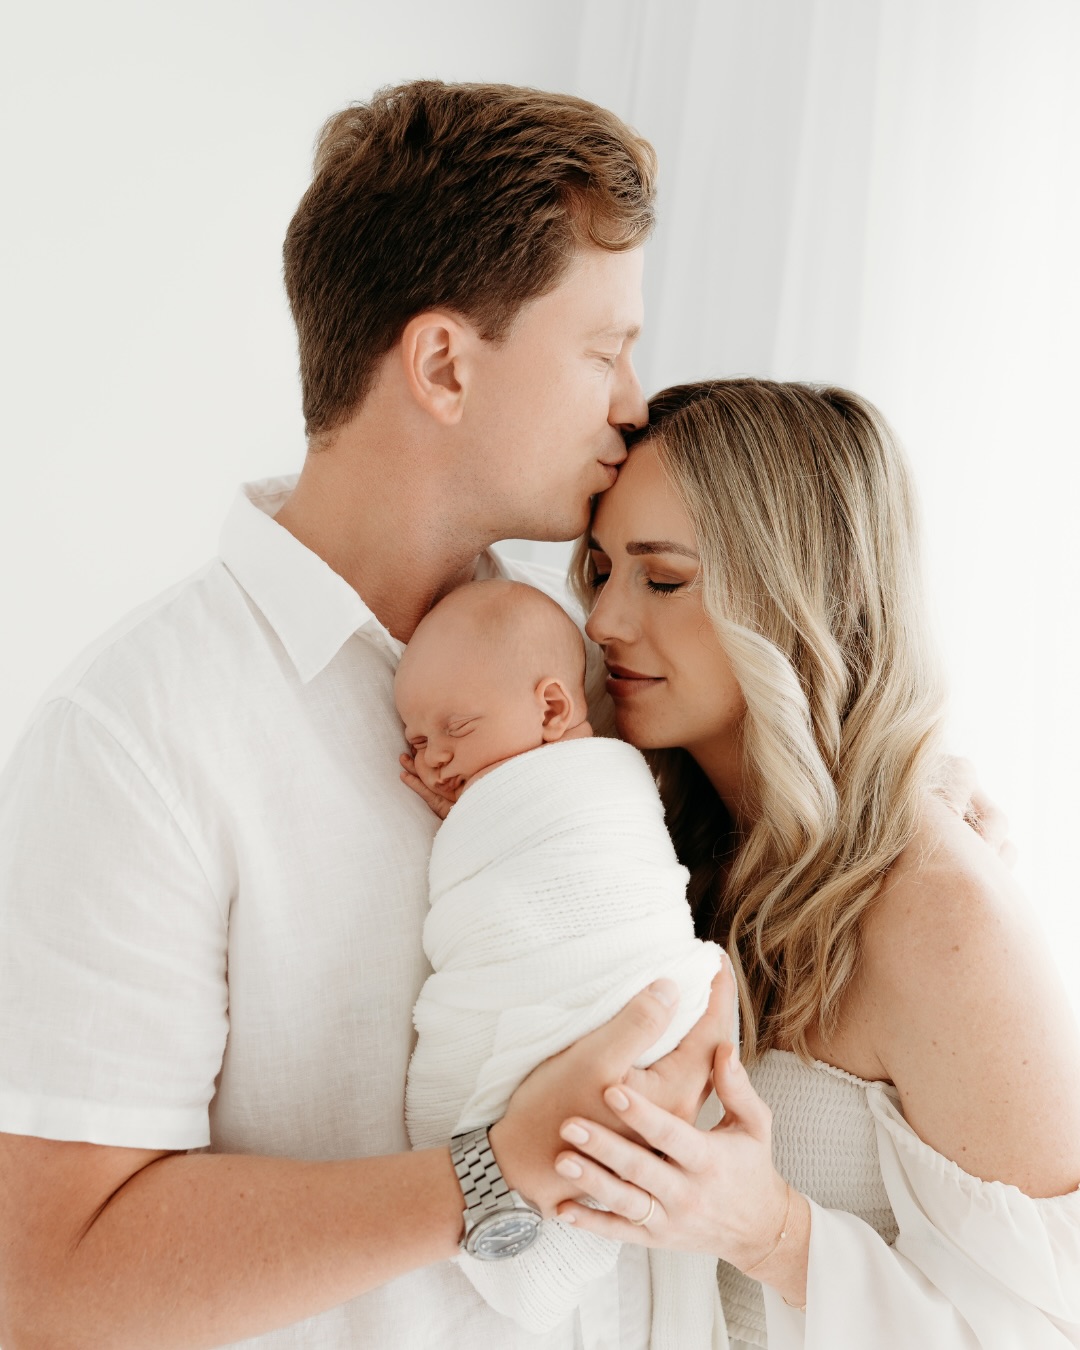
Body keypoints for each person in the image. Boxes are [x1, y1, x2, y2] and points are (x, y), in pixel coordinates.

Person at [0, 81, 726, 1350]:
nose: (634, 405)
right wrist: (491, 1174)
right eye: (604, 350)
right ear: (444, 363)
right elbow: (50, 1281)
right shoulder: (133, 742)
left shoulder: (601, 666)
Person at [535, 378, 1080, 1348]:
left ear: (796, 597)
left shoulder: (947, 913)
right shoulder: (645, 833)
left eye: (662, 580)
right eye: (600, 569)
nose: (606, 621)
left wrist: (774, 1235)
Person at [397, 577, 723, 1347]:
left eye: (456, 728)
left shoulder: (605, 785)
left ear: (551, 709)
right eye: (415, 741)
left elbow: (611, 905)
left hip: (609, 993)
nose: (435, 757)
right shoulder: (518, 783)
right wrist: (478, 804)